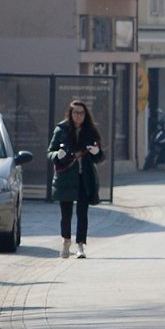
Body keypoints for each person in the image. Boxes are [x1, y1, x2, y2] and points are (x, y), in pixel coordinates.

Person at [47, 100, 103, 259]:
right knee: (66, 214)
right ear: (70, 114)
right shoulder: (61, 130)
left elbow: (100, 157)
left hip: (84, 178)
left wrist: (96, 152)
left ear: (86, 115)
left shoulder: (91, 131)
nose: (79, 116)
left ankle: (80, 246)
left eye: (82, 113)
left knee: (82, 213)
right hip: (66, 178)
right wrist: (57, 155)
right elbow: (49, 152)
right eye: (76, 113)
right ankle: (66, 242)